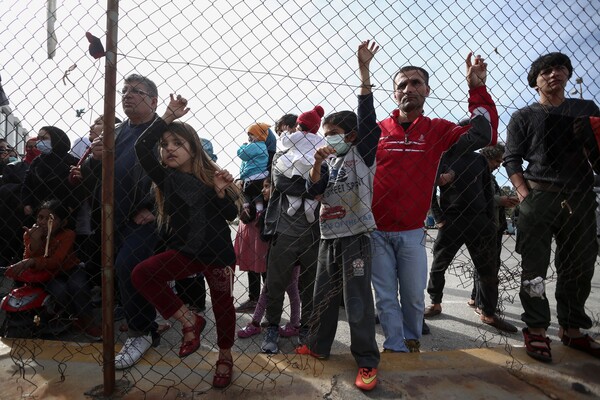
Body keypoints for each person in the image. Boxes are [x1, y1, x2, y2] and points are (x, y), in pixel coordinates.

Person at [366, 44, 499, 353]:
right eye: (401, 85)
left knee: (413, 296)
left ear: (427, 90)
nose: (408, 88)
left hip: (412, 232)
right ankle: (394, 344)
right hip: (376, 231)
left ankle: (412, 339)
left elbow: (485, 135)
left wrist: (477, 89)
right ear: (394, 94)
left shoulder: (438, 129)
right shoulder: (377, 130)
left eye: (416, 83)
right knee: (385, 297)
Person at [132, 94, 239, 387]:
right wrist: (166, 116)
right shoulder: (166, 178)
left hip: (217, 254)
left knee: (223, 306)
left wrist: (219, 191)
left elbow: (231, 213)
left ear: (193, 147)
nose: (169, 149)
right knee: (142, 273)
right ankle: (189, 320)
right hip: (185, 253)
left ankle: (225, 356)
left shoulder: (213, 176)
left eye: (177, 143)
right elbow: (142, 146)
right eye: (165, 144)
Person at [295, 39, 381, 392]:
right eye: (326, 134)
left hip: (357, 235)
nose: (330, 139)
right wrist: (316, 164)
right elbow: (313, 191)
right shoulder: (327, 161)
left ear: (352, 136)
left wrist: (364, 72)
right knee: (324, 295)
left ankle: (366, 361)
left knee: (357, 299)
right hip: (329, 236)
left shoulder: (361, 154)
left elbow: (368, 118)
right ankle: (317, 345)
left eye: (335, 134)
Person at [504, 52, 600, 362]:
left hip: (581, 194)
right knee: (534, 269)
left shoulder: (585, 109)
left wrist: (590, 137)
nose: (553, 74)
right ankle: (536, 329)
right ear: (535, 82)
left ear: (569, 74)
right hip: (540, 193)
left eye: (560, 68)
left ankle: (572, 329)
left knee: (580, 265)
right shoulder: (523, 115)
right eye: (545, 71)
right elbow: (511, 158)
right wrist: (524, 194)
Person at [81, 74, 164, 369]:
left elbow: (178, 170)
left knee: (129, 267)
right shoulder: (114, 132)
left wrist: (156, 207)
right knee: (115, 271)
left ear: (153, 102)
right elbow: (91, 180)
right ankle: (146, 324)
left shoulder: (165, 130)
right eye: (125, 90)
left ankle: (141, 332)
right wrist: (95, 160)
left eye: (137, 92)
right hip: (112, 216)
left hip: (145, 218)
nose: (128, 95)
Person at [424, 148, 517, 333]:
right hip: (451, 219)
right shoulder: (443, 156)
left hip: (479, 220)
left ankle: (488, 313)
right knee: (438, 265)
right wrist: (439, 217)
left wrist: (490, 220)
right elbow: (430, 189)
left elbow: (486, 191)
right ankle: (435, 303)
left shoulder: (479, 160)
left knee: (488, 269)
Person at [5, 199, 99, 338]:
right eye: (40, 217)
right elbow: (28, 258)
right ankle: (70, 317)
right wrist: (35, 241)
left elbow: (56, 261)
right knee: (60, 291)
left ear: (63, 223)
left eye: (50, 219)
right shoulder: (30, 234)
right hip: (48, 274)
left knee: (79, 287)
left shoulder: (68, 235)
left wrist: (31, 261)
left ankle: (88, 322)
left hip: (70, 269)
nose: (43, 222)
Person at [237, 178, 301, 338]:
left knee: (289, 289)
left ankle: (292, 324)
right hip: (280, 257)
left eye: (267, 187)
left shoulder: (282, 208)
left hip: (289, 257)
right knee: (274, 289)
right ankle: (290, 323)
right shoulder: (270, 209)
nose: (263, 190)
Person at [468, 144, 519, 308]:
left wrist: (504, 201)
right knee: (486, 266)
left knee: (488, 265)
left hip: (494, 226)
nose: (499, 165)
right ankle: (481, 301)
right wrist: (501, 201)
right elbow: (478, 198)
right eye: (496, 161)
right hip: (485, 227)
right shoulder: (477, 173)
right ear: (487, 158)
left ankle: (477, 298)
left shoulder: (489, 176)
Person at [275, 106, 326, 223]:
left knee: (293, 181)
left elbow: (286, 142)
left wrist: (285, 134)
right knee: (313, 187)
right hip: (314, 166)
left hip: (299, 164)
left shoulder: (299, 135)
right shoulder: (318, 138)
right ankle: (310, 208)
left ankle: (294, 202)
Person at [21, 126, 80, 217]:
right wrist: (27, 203)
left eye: (44, 138)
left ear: (56, 140)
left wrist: (71, 206)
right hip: (37, 213)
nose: (39, 142)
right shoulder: (37, 162)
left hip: (64, 214)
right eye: (39, 138)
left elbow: (80, 188)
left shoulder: (73, 162)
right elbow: (27, 184)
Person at [237, 122, 270, 215]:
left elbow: (242, 154)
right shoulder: (264, 146)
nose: (249, 137)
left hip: (251, 176)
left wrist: (243, 146)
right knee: (258, 197)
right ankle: (259, 212)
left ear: (259, 135)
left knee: (246, 195)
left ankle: (246, 210)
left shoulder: (255, 146)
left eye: (251, 134)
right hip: (261, 176)